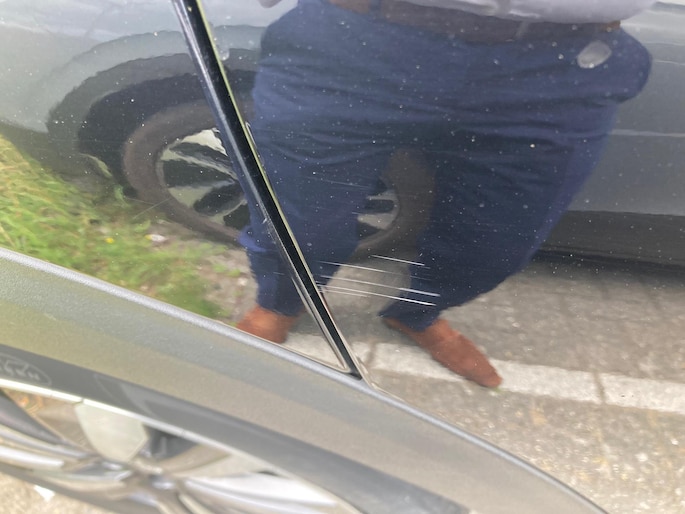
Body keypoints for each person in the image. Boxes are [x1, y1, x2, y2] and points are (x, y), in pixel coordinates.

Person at [236, 0, 654, 387]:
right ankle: (280, 303)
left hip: (562, 65)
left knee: (497, 245)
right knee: (296, 222)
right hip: (357, 34)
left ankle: (416, 312)